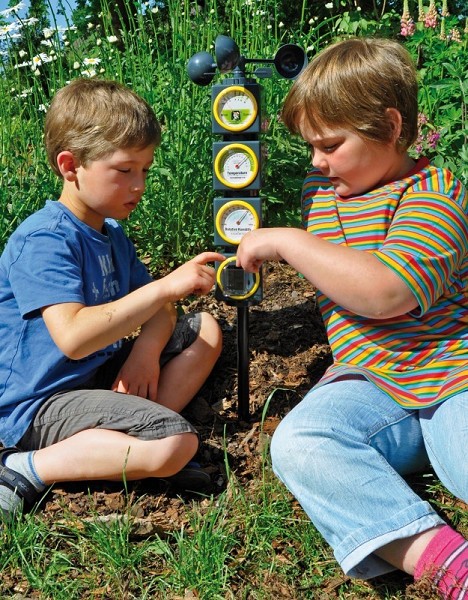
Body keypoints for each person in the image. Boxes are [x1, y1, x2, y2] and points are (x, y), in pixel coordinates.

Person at [236, 38, 468, 599]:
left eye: (331, 144)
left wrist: (290, 242)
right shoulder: (322, 191)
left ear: (390, 127)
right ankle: (445, 561)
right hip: (369, 383)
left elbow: (388, 292)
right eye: (311, 145)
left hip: (454, 376)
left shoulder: (438, 195)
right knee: (300, 443)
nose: (316, 160)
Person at [0, 78, 225, 518]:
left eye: (145, 169)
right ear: (71, 165)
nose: (138, 184)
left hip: (99, 374)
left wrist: (145, 350)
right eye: (124, 170)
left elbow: (161, 310)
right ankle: (26, 467)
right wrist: (165, 286)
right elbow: (73, 339)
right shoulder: (45, 238)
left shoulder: (111, 233)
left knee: (206, 329)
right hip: (40, 402)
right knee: (175, 444)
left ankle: (118, 441)